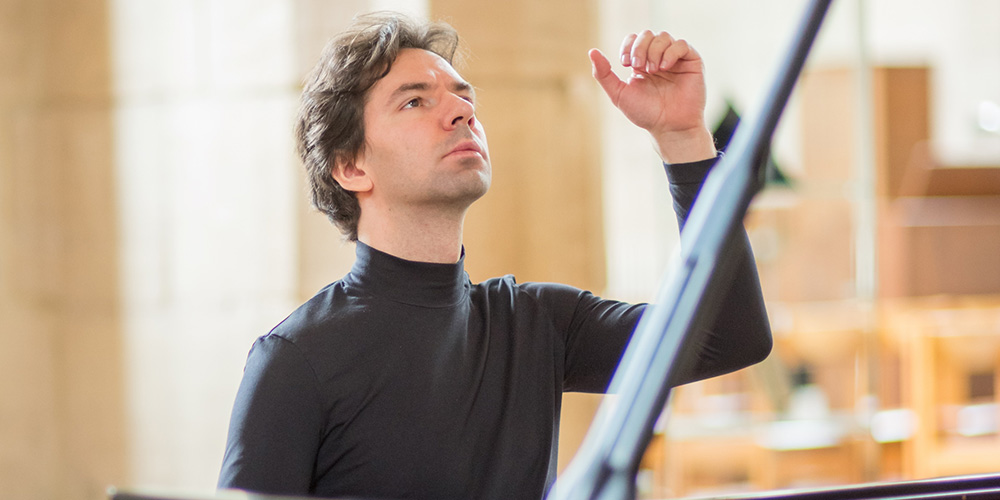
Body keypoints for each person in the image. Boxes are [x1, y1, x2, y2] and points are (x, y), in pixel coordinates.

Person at [218, 11, 771, 500]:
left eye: (464, 95)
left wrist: (683, 138)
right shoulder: (295, 359)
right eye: (415, 100)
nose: (460, 111)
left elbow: (730, 334)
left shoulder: (536, 324)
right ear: (351, 167)